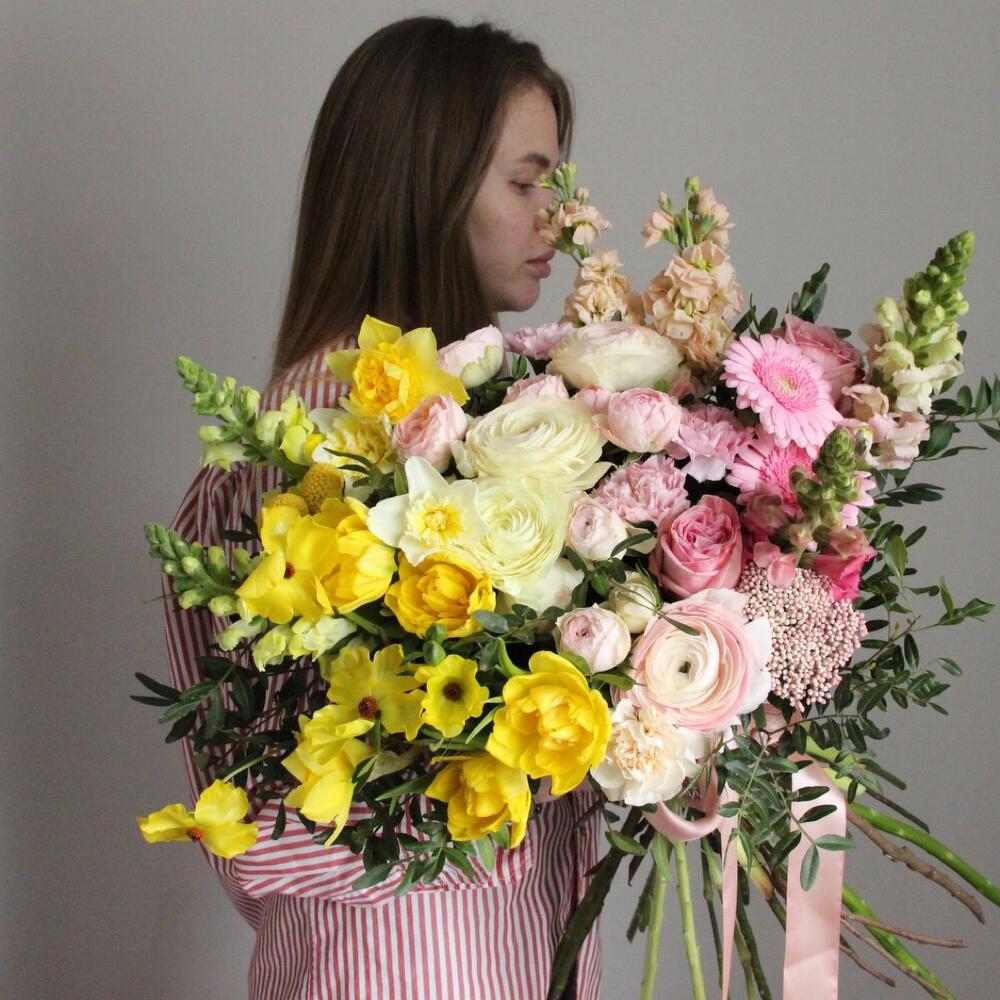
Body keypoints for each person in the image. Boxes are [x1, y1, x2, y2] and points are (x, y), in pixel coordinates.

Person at [164, 16, 602, 1000]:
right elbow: (255, 825)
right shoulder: (316, 445)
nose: (561, 221)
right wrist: (504, 781)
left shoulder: (486, 423)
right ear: (426, 188)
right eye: (526, 184)